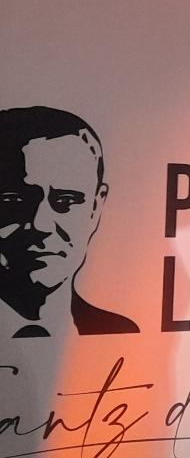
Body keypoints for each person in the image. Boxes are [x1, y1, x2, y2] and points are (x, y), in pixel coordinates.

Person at [0, 106, 140, 338]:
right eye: (14, 201)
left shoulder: (120, 332)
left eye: (66, 200)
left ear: (96, 208)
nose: (42, 225)